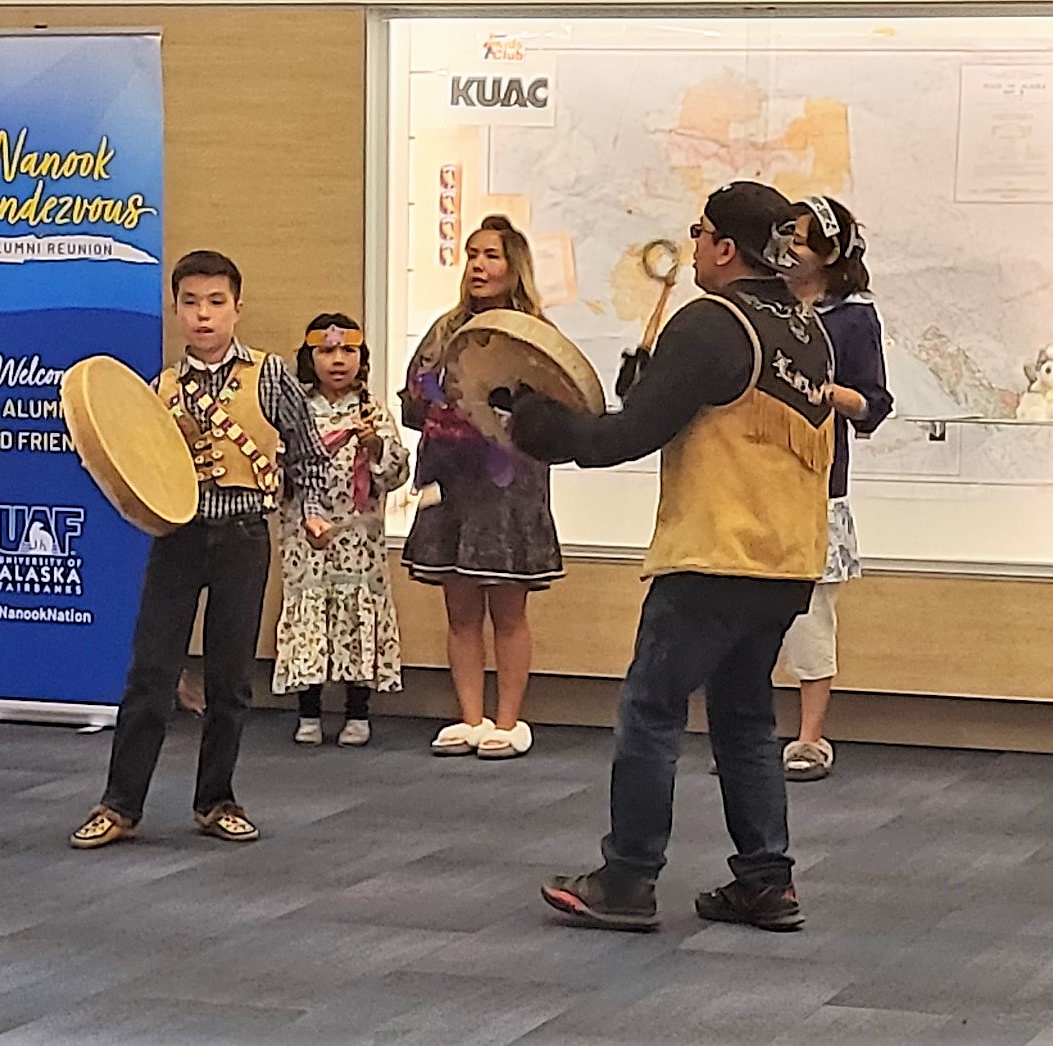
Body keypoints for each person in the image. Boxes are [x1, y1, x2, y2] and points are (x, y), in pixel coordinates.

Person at [509, 181, 834, 933]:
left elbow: (621, 438)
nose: (693, 246)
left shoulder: (711, 322)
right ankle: (765, 881)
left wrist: (538, 423)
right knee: (745, 718)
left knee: (652, 712)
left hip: (713, 554)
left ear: (724, 247)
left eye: (699, 232)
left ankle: (626, 878)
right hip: (786, 559)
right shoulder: (806, 329)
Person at [71, 251, 332, 849]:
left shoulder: (268, 376)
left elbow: (309, 451)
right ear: (176, 309)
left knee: (230, 676)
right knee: (151, 672)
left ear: (238, 308)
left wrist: (311, 511)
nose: (203, 316)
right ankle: (120, 803)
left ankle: (217, 798)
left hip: (243, 535)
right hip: (178, 538)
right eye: (190, 303)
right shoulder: (160, 388)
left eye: (216, 303)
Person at [400, 216, 563, 760]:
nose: (478, 265)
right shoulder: (445, 329)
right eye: (472, 254)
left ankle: (509, 721)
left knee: (509, 609)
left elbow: (558, 406)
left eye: (490, 255)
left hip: (509, 482)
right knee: (460, 608)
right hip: (452, 478)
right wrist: (436, 403)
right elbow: (411, 399)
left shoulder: (535, 332)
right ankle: (470, 718)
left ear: (513, 264)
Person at [768, 196, 892, 781]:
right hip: (752, 475)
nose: (788, 247)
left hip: (817, 480)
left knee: (812, 613)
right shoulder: (760, 306)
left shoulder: (852, 316)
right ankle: (746, 732)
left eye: (801, 238)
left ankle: (810, 738)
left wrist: (831, 394)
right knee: (747, 612)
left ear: (829, 251)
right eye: (784, 235)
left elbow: (874, 402)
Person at [277, 314, 412, 748]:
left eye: (348, 351)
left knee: (358, 614)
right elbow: (277, 464)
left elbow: (395, 475)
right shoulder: (294, 409)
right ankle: (309, 711)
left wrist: (375, 446)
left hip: (359, 537)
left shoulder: (373, 411)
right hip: (307, 535)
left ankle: (358, 710)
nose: (338, 360)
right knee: (311, 613)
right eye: (327, 351)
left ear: (362, 358)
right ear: (309, 358)